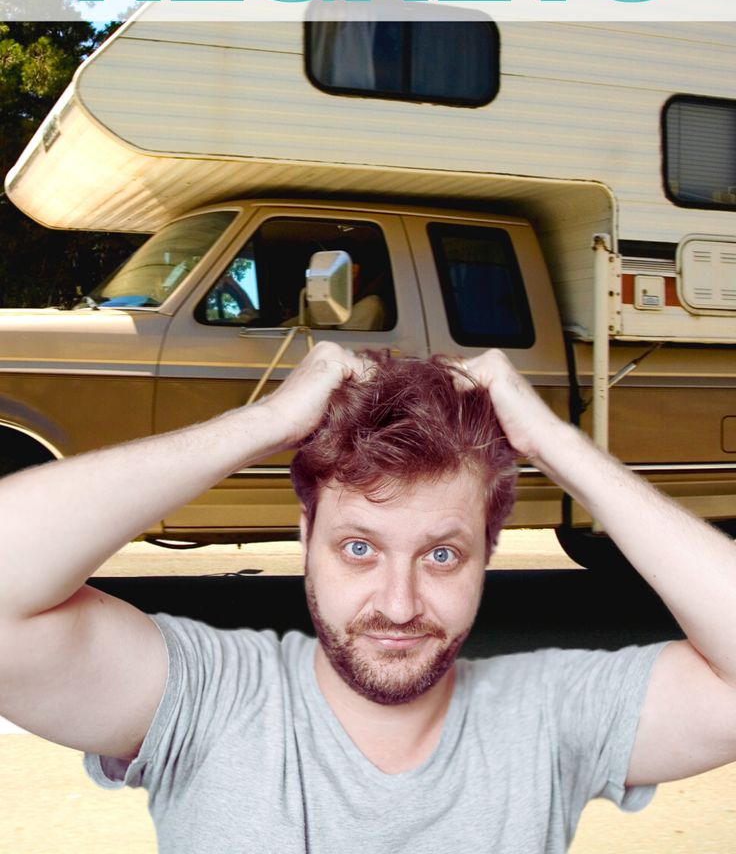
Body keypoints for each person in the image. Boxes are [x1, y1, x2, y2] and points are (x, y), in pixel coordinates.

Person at [0, 344, 735, 854]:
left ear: (489, 554)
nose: (398, 602)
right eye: (359, 547)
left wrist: (551, 440)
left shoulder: (549, 713)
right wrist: (262, 424)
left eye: (442, 554)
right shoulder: (207, 695)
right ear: (306, 535)